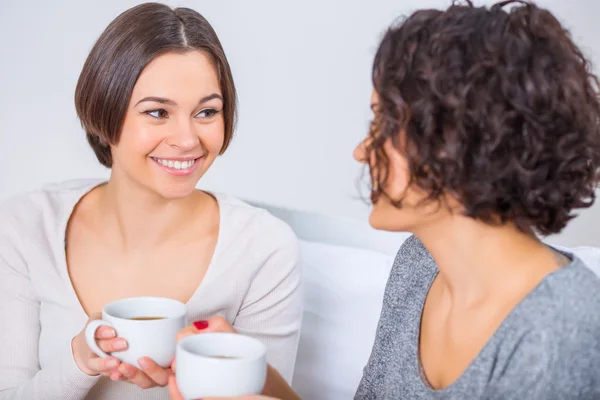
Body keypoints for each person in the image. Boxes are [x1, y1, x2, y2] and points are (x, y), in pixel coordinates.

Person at [168, 1, 600, 399]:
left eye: (384, 123)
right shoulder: (420, 264)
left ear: (457, 142)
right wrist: (249, 374)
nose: (362, 150)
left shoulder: (564, 328)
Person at [0, 3, 302, 399]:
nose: (188, 139)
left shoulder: (264, 249)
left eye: (207, 112)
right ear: (103, 111)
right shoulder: (26, 225)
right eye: (158, 112)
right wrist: (80, 360)